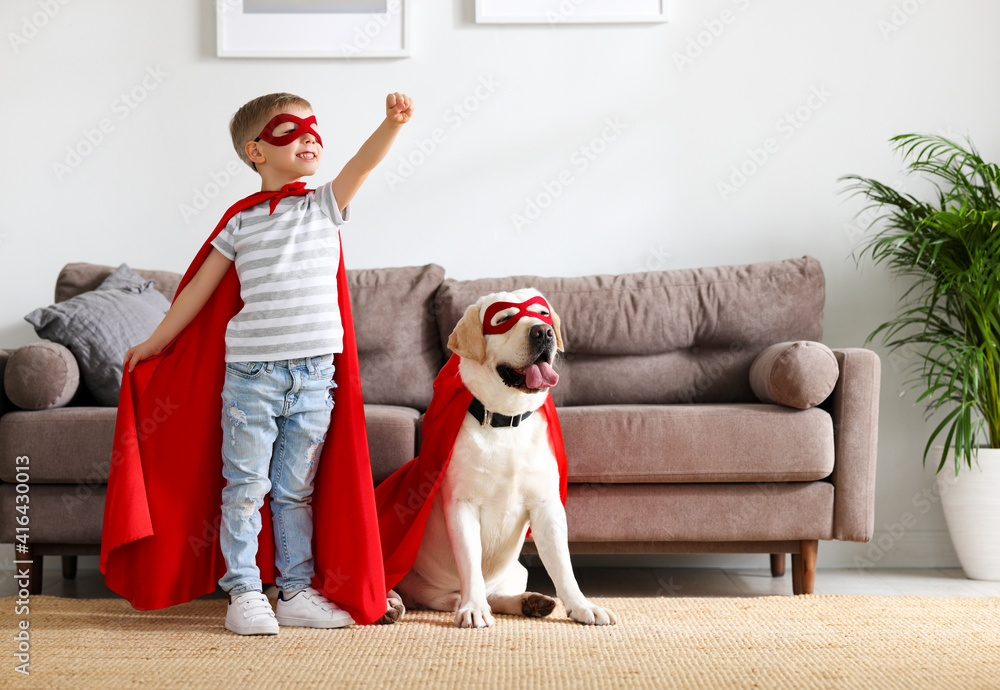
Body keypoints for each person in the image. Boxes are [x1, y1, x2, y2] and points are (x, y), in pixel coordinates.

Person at [119, 91, 414, 635]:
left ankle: (296, 590)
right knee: (246, 486)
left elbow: (362, 164)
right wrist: (156, 343)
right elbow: (199, 292)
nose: (310, 137)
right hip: (252, 376)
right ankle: (244, 592)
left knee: (296, 490)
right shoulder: (240, 223)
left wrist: (390, 124)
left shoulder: (324, 205)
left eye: (314, 129)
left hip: (314, 377)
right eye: (291, 129)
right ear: (256, 151)